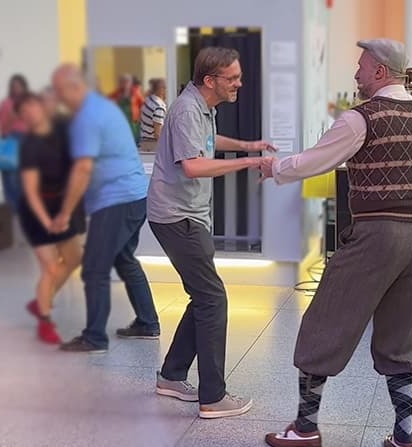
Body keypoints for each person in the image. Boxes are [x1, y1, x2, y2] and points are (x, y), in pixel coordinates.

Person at [260, 39, 412, 447]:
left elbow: (315, 161)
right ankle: (404, 436)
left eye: (361, 66)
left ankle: (304, 429)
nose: (356, 74)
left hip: (376, 235)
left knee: (325, 321)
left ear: (380, 71)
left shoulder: (361, 118)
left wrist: (274, 166)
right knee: (403, 332)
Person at [147, 47, 276, 419]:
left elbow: (207, 141)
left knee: (203, 296)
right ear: (210, 80)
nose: (239, 83)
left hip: (186, 215)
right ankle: (213, 397)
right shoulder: (188, 109)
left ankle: (171, 376)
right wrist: (251, 162)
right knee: (213, 299)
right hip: (177, 217)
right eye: (232, 78)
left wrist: (247, 146)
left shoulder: (201, 109)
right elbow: (193, 165)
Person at [51, 64, 160, 353]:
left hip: (116, 200)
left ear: (74, 87)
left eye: (60, 91)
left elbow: (83, 168)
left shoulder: (88, 116)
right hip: (134, 197)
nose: (59, 98)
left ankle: (95, 337)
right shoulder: (102, 108)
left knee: (95, 268)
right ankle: (148, 323)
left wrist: (64, 213)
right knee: (125, 259)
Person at [15, 93, 85, 344]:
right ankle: (44, 321)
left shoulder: (62, 129)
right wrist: (47, 222)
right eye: (23, 112)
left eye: (31, 106)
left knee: (75, 258)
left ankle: (41, 300)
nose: (29, 113)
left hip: (63, 205)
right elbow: (31, 192)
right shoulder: (30, 146)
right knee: (51, 267)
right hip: (37, 212)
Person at [0, 74, 30, 211]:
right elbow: (3, 129)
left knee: (25, 178)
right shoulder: (6, 104)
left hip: (27, 141)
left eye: (19, 86)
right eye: (14, 86)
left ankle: (24, 208)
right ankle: (12, 209)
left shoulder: (29, 103)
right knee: (10, 178)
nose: (16, 89)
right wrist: (12, 116)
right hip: (11, 141)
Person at [110, 73, 144, 141]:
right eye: (123, 81)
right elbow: (108, 102)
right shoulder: (117, 93)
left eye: (127, 81)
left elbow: (143, 104)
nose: (125, 83)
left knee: (133, 139)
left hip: (132, 121)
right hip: (120, 121)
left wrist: (140, 116)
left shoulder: (135, 92)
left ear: (131, 83)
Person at [139, 78, 167, 152]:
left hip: (144, 142)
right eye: (166, 88)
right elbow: (158, 133)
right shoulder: (159, 106)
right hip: (153, 144)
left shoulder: (147, 100)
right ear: (161, 90)